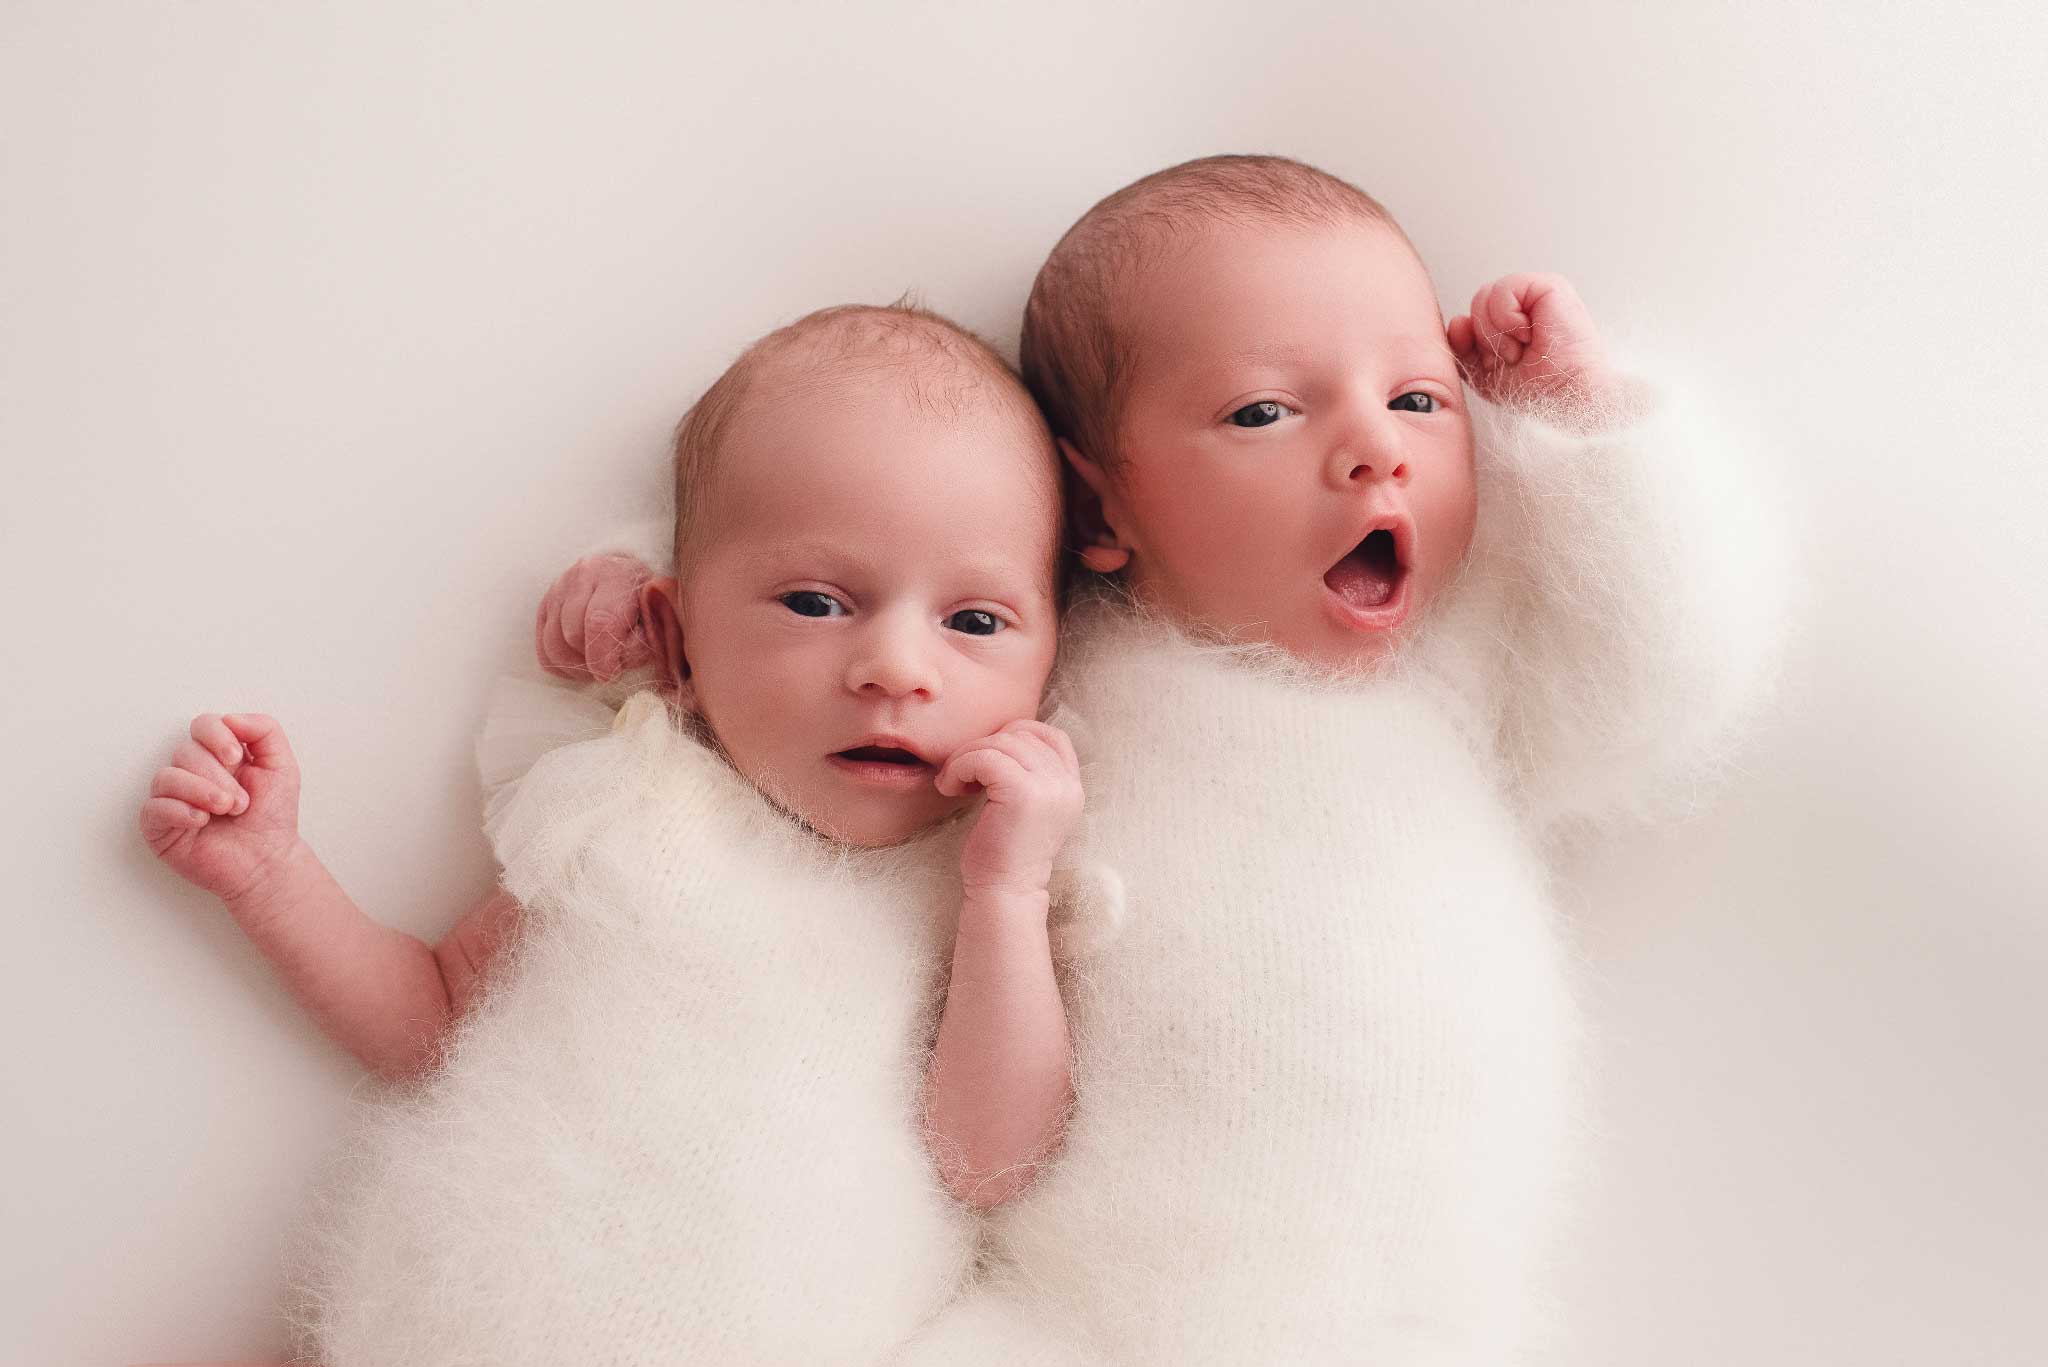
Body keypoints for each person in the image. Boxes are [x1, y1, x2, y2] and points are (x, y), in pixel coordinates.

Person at [540, 155, 1782, 1365]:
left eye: (1417, 399)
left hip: (1432, 1321)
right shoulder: (1045, 679)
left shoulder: (1457, 668)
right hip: (1106, 1315)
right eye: (1263, 411)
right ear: (1097, 510)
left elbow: (1665, 675)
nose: (1373, 449)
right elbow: (854, 639)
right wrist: (664, 635)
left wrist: (1585, 423)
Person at [139, 302, 1088, 1367]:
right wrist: (271, 871)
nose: (896, 668)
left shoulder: (979, 882)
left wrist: (1008, 896)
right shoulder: (632, 800)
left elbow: (991, 1163)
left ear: (1055, 658)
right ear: (677, 638)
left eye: (974, 622)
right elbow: (431, 1016)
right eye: (816, 603)